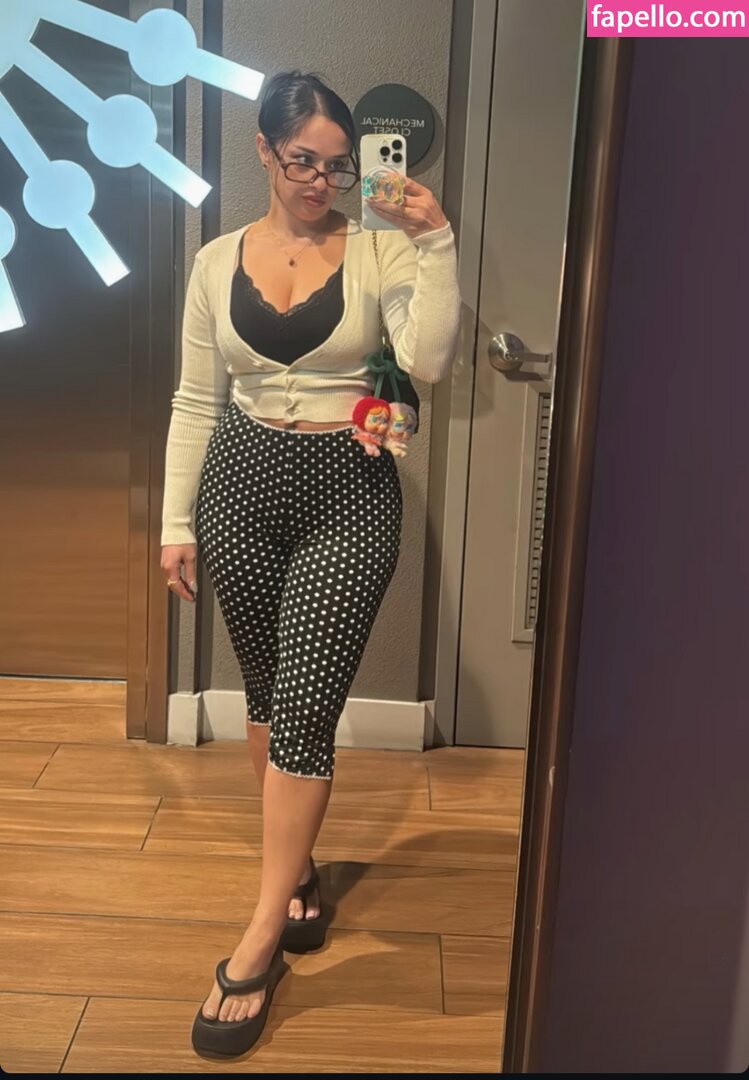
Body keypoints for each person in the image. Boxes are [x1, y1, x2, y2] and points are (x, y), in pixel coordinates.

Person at [160, 70, 461, 1057]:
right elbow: (195, 400)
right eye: (302, 162)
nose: (320, 183)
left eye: (337, 167)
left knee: (304, 707)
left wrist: (434, 240)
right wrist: (175, 520)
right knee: (263, 692)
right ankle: (293, 873)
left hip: (349, 491)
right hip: (239, 485)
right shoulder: (215, 261)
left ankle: (259, 937)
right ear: (263, 150)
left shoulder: (380, 248)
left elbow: (426, 361)